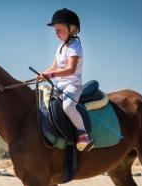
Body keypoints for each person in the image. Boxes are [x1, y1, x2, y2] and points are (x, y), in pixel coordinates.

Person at [40, 8, 94, 152]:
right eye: (55, 30)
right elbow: (53, 67)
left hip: (73, 85)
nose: (56, 33)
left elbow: (70, 69)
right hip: (59, 85)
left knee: (68, 106)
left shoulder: (76, 47)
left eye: (59, 29)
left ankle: (83, 134)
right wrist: (42, 75)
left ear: (72, 29)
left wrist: (50, 76)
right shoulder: (60, 48)